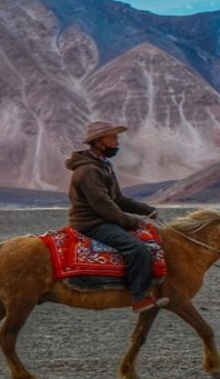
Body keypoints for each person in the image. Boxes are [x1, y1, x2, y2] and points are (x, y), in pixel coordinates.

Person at [66, 120, 169, 313]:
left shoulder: (103, 166)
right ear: (99, 142)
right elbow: (102, 204)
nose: (117, 142)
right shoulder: (88, 170)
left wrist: (147, 210)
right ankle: (140, 298)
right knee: (137, 248)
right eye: (113, 138)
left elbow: (118, 199)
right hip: (91, 223)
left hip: (102, 219)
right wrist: (131, 222)